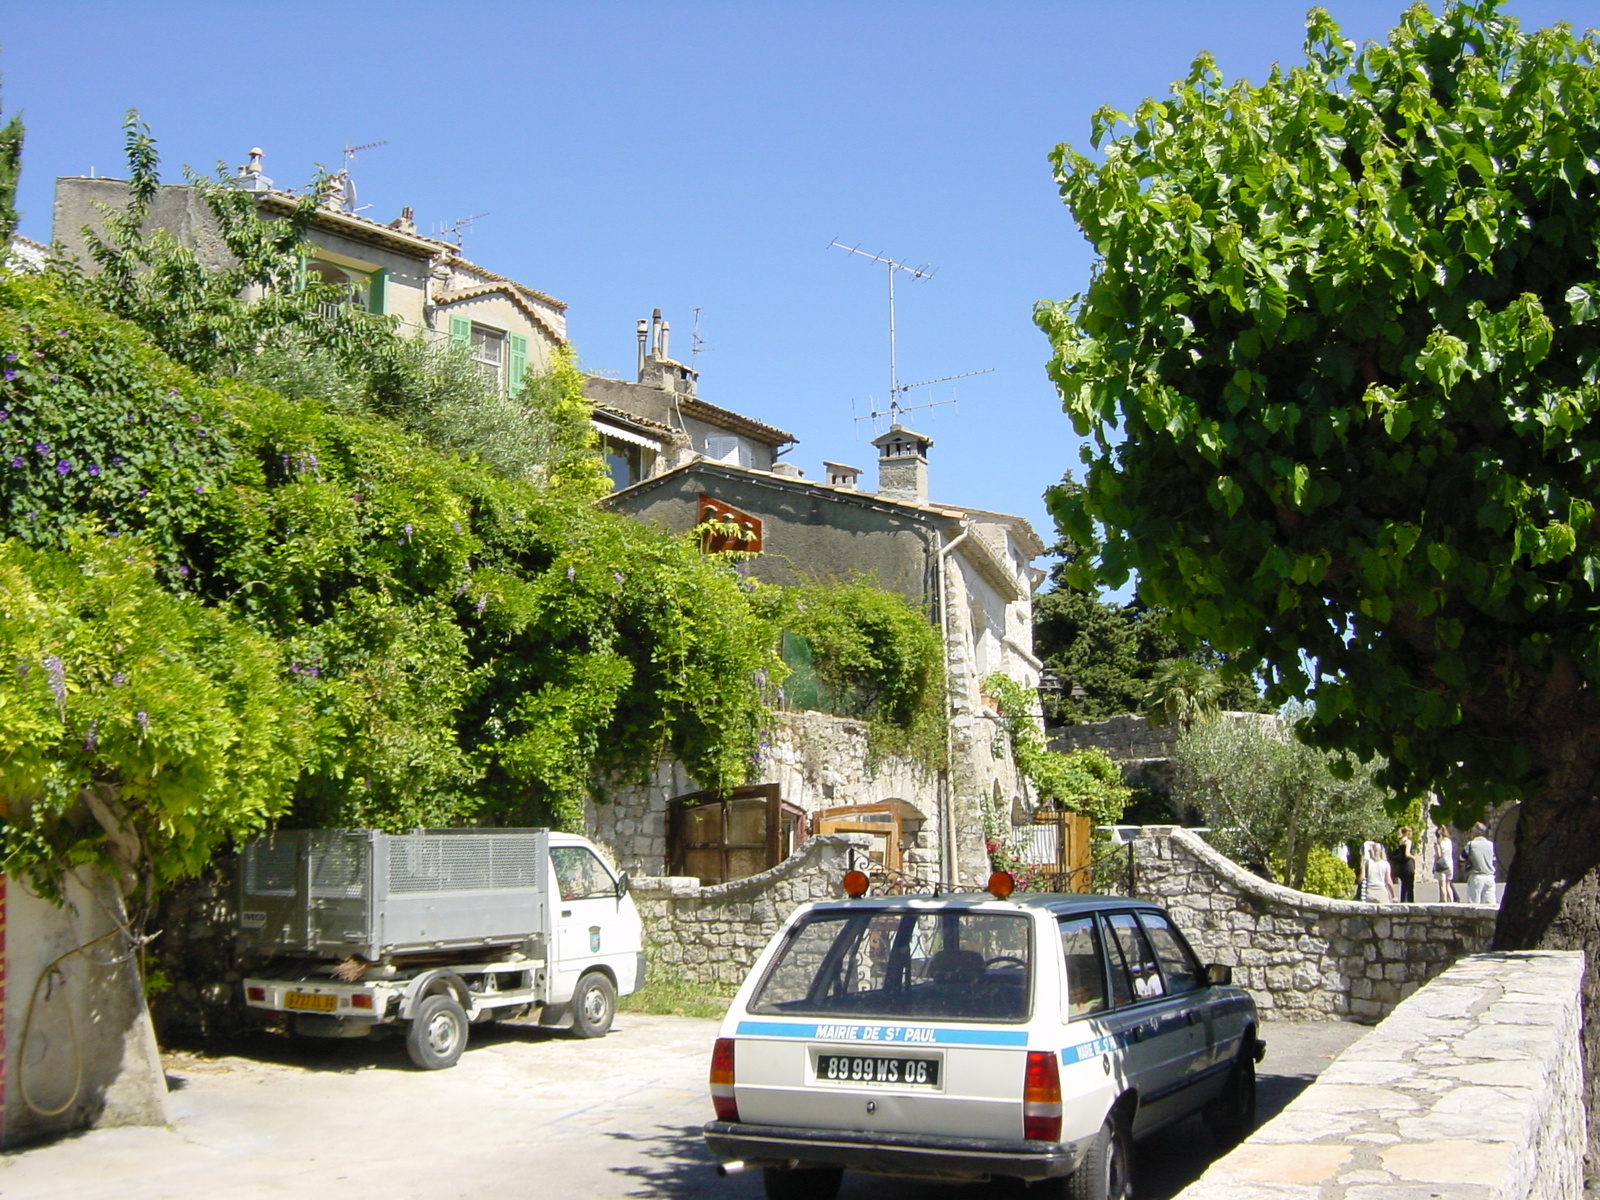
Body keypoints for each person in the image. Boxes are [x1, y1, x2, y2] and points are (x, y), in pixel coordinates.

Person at [1465, 824, 1498, 906]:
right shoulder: (1491, 844)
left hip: (1477, 876)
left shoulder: (1471, 844)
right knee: (1490, 905)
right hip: (1489, 877)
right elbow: (1493, 859)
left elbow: (1462, 859)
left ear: (1475, 832)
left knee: (1474, 905)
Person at [1432, 826, 1458, 902]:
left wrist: (1434, 864)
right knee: (1448, 885)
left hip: (1441, 865)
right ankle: (1452, 901)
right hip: (1449, 864)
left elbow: (1439, 855)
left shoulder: (1438, 843)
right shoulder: (1449, 841)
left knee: (1442, 885)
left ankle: (1444, 900)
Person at [1393, 826, 1416, 903]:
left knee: (1404, 884)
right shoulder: (1408, 842)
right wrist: (1414, 857)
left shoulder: (1401, 841)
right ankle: (1410, 901)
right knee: (1409, 885)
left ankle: (1403, 900)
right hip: (1408, 864)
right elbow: (1407, 854)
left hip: (1402, 865)